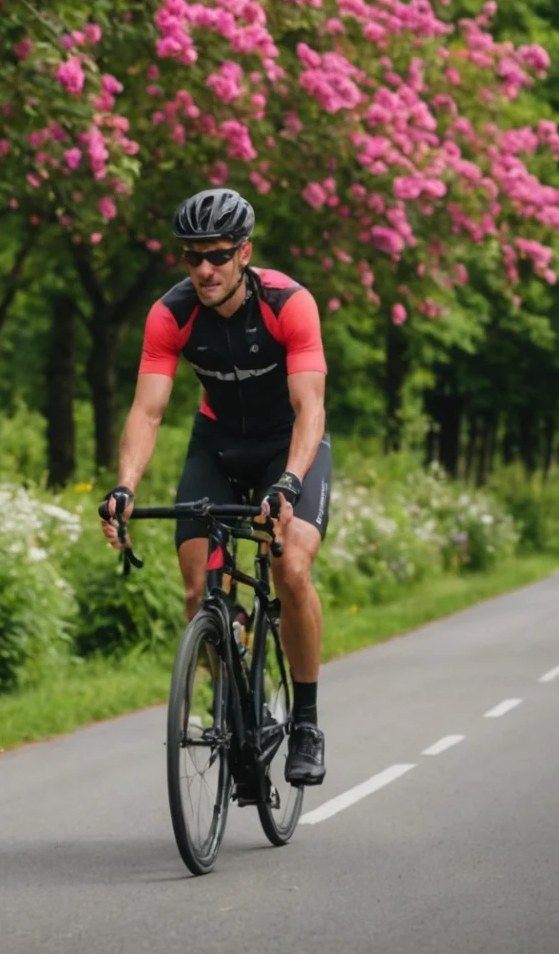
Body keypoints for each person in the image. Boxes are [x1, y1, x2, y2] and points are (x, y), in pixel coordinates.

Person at [99, 188, 333, 788]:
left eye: (218, 256)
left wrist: (288, 480)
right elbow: (147, 412)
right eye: (192, 256)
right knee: (199, 590)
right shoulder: (171, 314)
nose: (204, 268)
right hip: (218, 448)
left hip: (288, 449)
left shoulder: (289, 304)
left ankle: (305, 722)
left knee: (292, 568)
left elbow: (311, 410)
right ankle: (235, 707)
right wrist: (125, 487)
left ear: (244, 253)